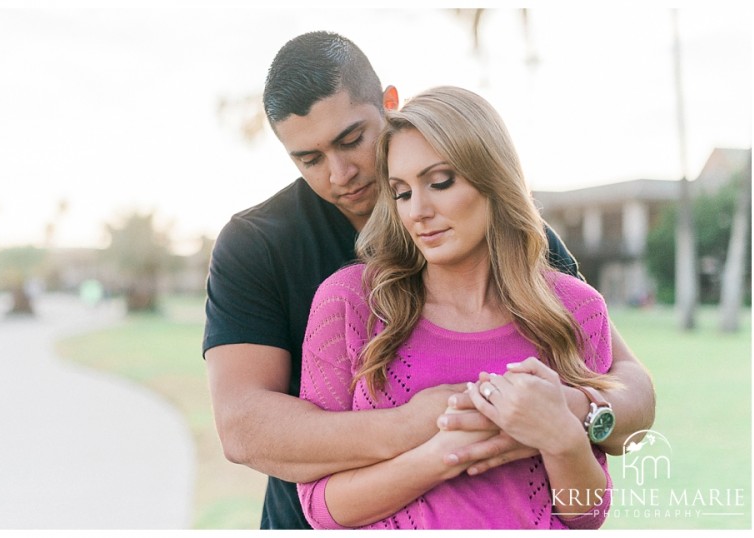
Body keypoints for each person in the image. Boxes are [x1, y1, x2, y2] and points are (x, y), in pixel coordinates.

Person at [203, 31, 655, 530]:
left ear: (390, 106)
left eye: (352, 139)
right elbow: (243, 428)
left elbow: (627, 387)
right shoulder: (258, 246)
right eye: (309, 159)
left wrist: (568, 412)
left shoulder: (513, 236)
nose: (340, 173)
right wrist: (421, 427)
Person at [296, 86, 616, 529]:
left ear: (493, 179)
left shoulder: (575, 309)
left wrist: (562, 436)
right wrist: (444, 452)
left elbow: (587, 516)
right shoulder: (349, 302)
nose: (418, 211)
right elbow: (321, 508)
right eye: (402, 192)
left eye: (440, 182)